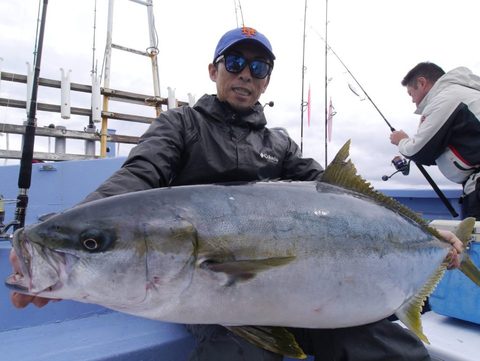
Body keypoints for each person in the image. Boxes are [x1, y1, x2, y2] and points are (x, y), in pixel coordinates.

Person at [10, 28, 463, 361]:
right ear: (214, 70)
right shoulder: (181, 126)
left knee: (382, 350)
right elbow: (140, 174)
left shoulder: (280, 144)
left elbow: (340, 195)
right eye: (235, 63)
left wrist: (433, 236)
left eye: (259, 68)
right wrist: (74, 232)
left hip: (310, 291)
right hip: (207, 296)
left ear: (266, 81)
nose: (246, 75)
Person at [390, 62, 480, 220]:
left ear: (422, 83)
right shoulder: (466, 92)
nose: (412, 101)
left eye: (411, 94)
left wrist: (401, 141)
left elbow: (418, 151)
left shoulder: (446, 97)